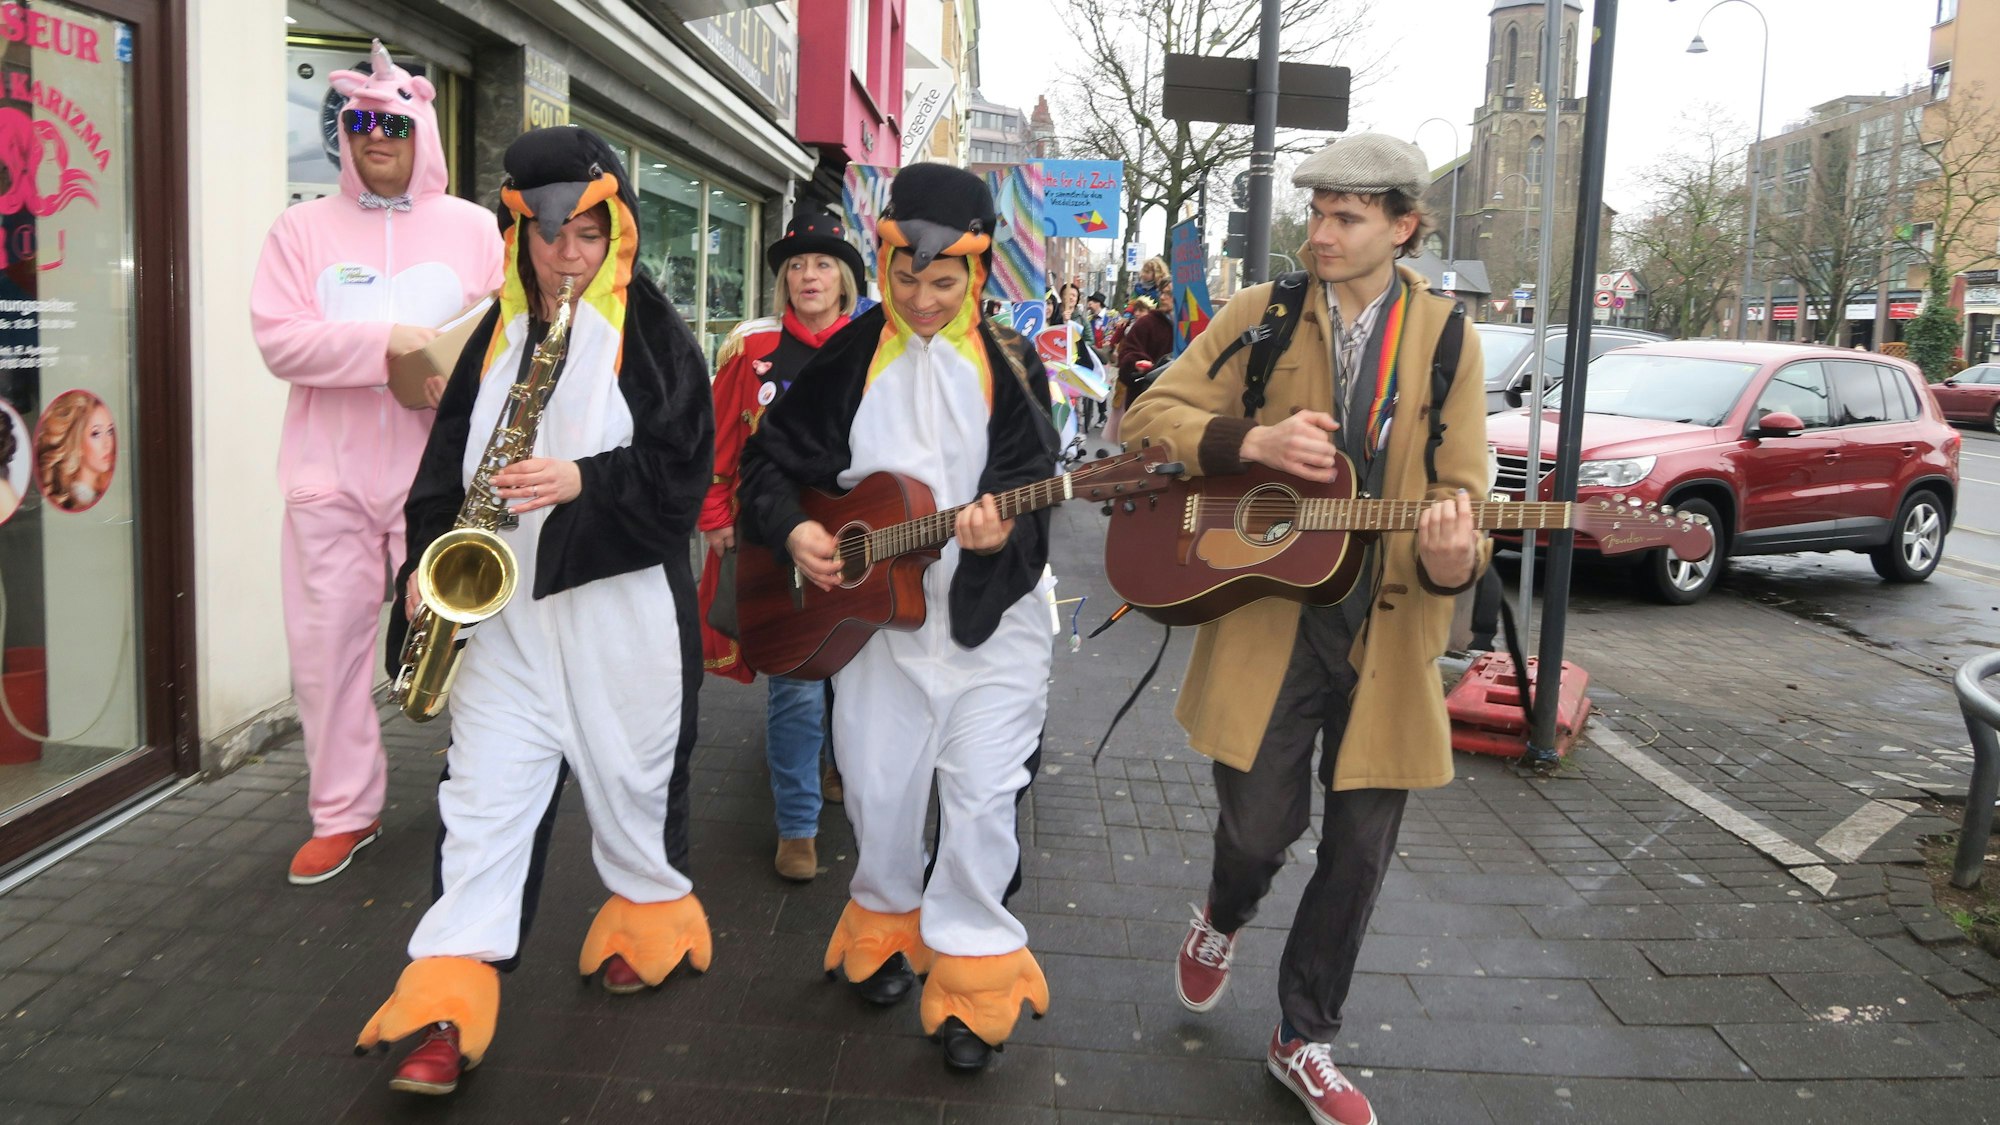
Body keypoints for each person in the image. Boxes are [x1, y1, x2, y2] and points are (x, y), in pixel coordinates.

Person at [1121, 133, 1488, 1125]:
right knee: (1255, 833)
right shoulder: (1260, 315)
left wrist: (1457, 556)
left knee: (1358, 852)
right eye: (1317, 213)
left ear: (1403, 226)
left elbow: (1461, 501)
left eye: (1346, 217)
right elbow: (1144, 417)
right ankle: (1222, 915)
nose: (1320, 233)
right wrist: (1248, 439)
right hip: (1268, 618)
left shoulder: (1448, 338)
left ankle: (1301, 1037)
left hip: (1388, 627)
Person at [355, 126, 715, 1096]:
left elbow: (683, 476)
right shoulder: (492, 335)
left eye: (588, 232)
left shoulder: (657, 337)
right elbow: (441, 474)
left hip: (620, 619)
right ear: (521, 234)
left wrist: (581, 481)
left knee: (635, 785)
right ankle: (444, 1002)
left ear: (618, 231)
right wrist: (428, 568)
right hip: (503, 622)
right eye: (551, 234)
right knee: (480, 806)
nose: (568, 254)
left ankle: (648, 908)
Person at [736, 163, 1059, 1073]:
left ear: (980, 271)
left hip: (993, 627)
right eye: (905, 277)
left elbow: (1038, 502)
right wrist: (798, 527)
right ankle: (883, 921)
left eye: (943, 281)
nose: (921, 299)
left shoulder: (1013, 366)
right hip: (874, 623)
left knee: (982, 798)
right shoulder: (850, 354)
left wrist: (998, 540)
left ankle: (971, 975)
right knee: (879, 792)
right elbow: (767, 465)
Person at [251, 41, 504, 886]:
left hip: (438, 483)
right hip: (329, 479)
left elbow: (506, 335)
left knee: (466, 642)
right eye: (359, 122)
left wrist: (451, 374)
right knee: (327, 652)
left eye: (392, 122)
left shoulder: (472, 229)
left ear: (421, 129)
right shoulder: (302, 228)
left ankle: (482, 789)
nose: (375, 137)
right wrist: (382, 344)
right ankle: (342, 809)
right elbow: (279, 338)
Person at [698, 206, 865, 881]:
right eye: (796, 265)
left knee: (851, 673)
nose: (808, 276)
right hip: (774, 534)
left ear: (846, 276)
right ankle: (797, 823)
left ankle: (835, 765)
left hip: (860, 534)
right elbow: (720, 439)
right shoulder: (751, 347)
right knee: (795, 683)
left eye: (823, 262)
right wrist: (715, 513)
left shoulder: (875, 343)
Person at [1106, 292, 1172, 445]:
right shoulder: (1146, 323)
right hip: (1145, 398)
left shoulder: (1195, 327)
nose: (1162, 297)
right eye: (1162, 292)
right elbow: (1127, 352)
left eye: (1168, 293)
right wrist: (1136, 363)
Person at [34, 390, 113, 513]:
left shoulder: (100, 493)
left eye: (110, 431)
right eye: (96, 434)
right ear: (77, 443)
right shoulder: (74, 502)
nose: (108, 443)